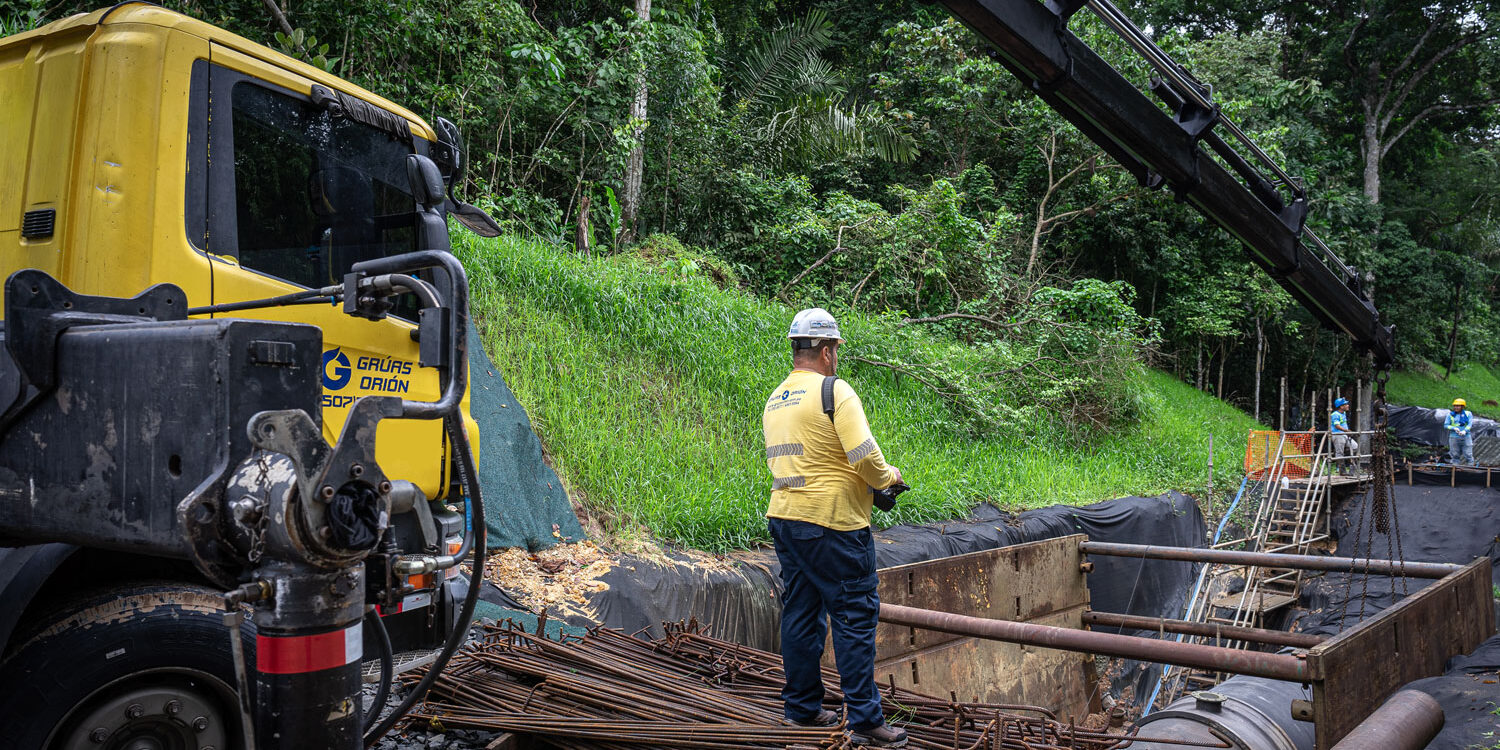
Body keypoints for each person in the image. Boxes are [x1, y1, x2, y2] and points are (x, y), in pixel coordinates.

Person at [762, 308, 908, 748]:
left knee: (802, 614)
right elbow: (863, 454)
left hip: (786, 519)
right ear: (827, 351)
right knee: (854, 616)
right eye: (836, 350)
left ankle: (802, 709)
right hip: (834, 525)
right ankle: (865, 720)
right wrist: (889, 479)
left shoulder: (776, 398)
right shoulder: (835, 391)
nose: (836, 357)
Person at [1329, 397, 1356, 474]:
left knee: (1354, 447)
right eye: (1346, 404)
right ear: (1341, 406)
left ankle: (1347, 464)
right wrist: (1347, 431)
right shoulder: (1335, 414)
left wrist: (1346, 432)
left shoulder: (1343, 413)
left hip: (1344, 435)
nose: (1348, 405)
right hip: (1338, 435)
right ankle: (1342, 470)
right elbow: (1337, 425)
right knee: (1339, 453)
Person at [1445, 398, 1474, 466]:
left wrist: (1465, 431)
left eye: (1458, 406)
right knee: (1455, 454)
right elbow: (1446, 425)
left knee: (1468, 453)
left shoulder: (1468, 414)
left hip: (1466, 437)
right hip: (1454, 437)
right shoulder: (1450, 415)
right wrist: (1454, 428)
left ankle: (1470, 468)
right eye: (1455, 406)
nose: (1456, 407)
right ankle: (1455, 469)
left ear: (1462, 406)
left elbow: (1470, 424)